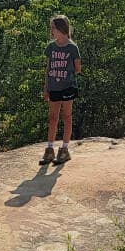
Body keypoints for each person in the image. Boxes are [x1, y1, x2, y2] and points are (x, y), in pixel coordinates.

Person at [40, 15, 81, 165]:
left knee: (67, 116)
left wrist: (65, 74)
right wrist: (46, 87)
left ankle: (64, 149)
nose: (52, 31)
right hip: (53, 87)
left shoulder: (72, 47)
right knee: (52, 118)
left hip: (68, 86)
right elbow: (48, 68)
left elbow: (78, 68)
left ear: (61, 29)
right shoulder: (51, 47)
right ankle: (49, 149)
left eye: (54, 28)